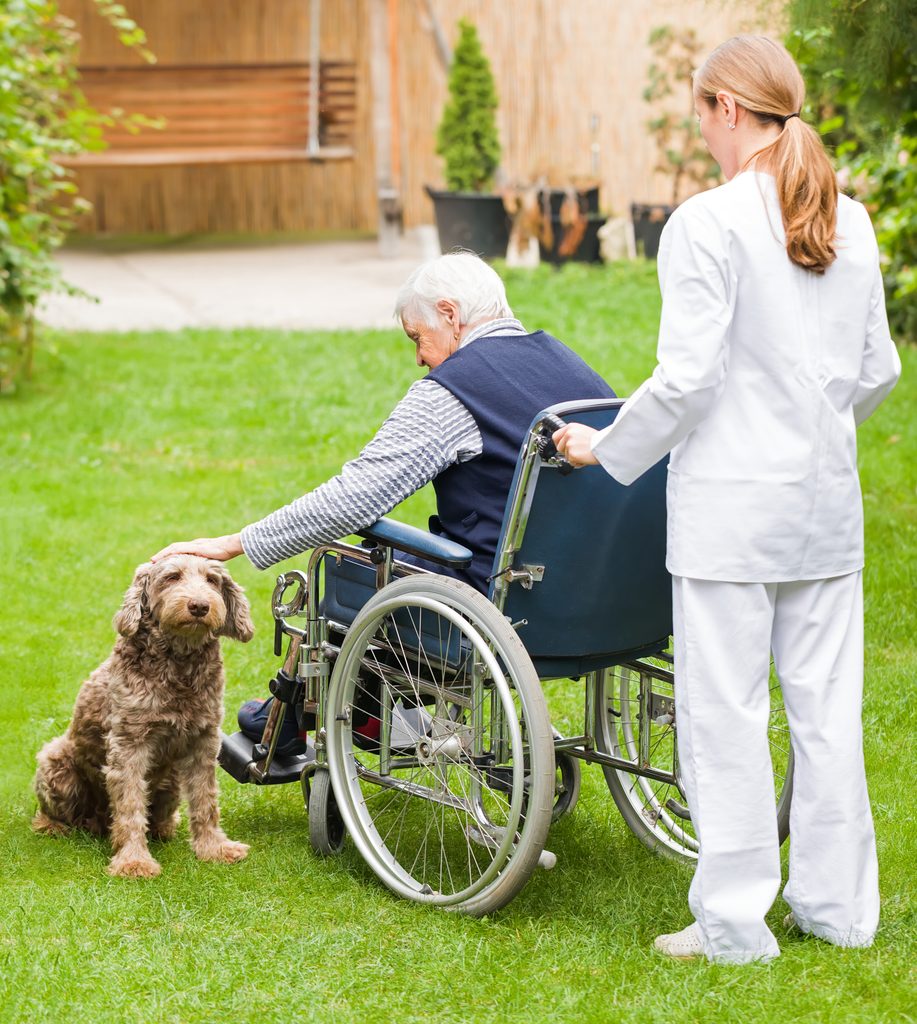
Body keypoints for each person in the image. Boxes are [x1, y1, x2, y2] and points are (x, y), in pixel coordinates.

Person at [554, 35, 900, 964]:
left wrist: (602, 447)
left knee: (726, 715)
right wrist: (814, 427)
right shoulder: (852, 219)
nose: (701, 130)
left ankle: (735, 926)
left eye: (701, 112)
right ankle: (838, 910)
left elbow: (685, 385)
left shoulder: (704, 225)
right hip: (823, 508)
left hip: (731, 518)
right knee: (826, 714)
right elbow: (878, 370)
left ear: (724, 109)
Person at [153, 251, 615, 754]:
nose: (419, 357)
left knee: (346, 568)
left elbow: (354, 499)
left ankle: (305, 714)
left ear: (450, 314)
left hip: (505, 606)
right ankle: (344, 709)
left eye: (418, 338)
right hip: (601, 599)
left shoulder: (456, 392)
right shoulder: (580, 374)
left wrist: (235, 543)